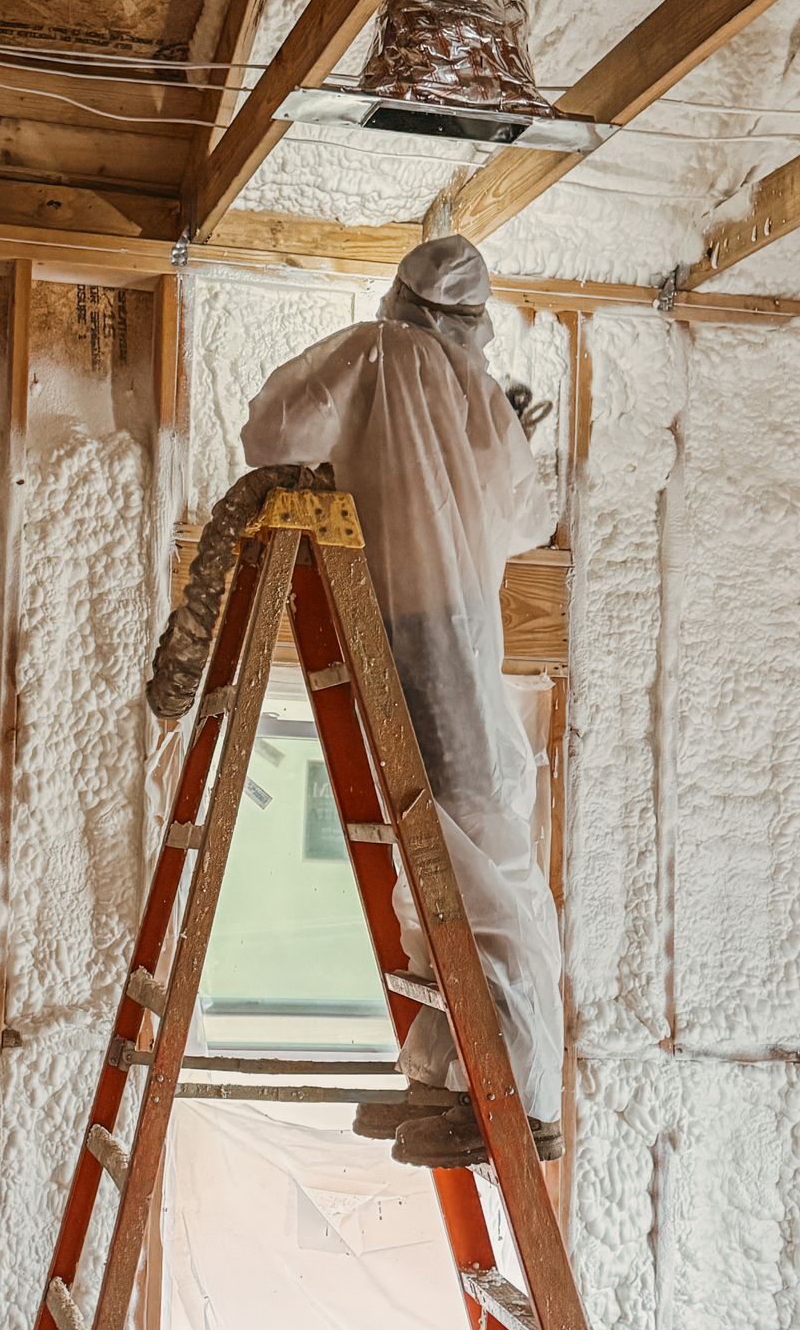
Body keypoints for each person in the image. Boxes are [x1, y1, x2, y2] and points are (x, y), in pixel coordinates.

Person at [239, 234, 564, 1166]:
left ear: (399, 295)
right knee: (459, 848)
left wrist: (361, 454)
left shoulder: (370, 354)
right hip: (457, 632)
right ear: (474, 319)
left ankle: (510, 1094)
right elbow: (532, 516)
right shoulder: (480, 395)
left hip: (391, 621)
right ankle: (453, 1073)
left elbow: (272, 433)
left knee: (448, 851)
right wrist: (499, 435)